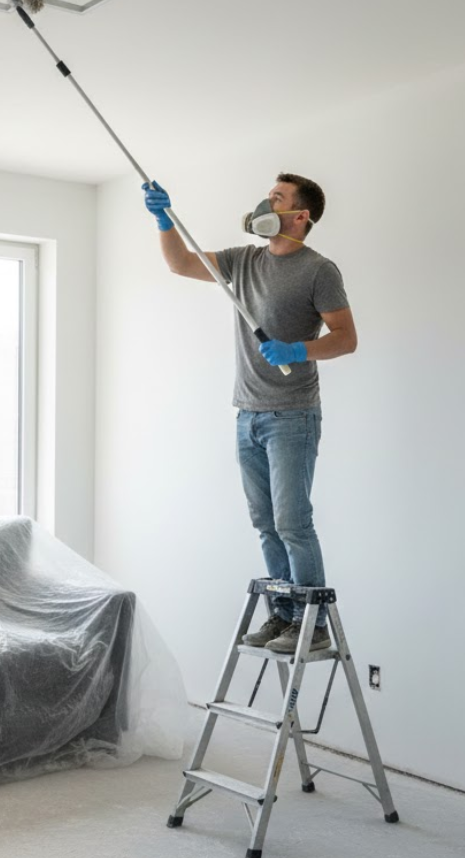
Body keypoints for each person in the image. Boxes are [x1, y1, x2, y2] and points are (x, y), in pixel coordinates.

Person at [142, 173, 356, 653]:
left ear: (299, 217)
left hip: (292, 416)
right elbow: (180, 263)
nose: (265, 201)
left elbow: (346, 338)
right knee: (265, 523)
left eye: (277, 198)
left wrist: (298, 351)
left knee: (292, 523)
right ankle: (282, 616)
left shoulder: (319, 271)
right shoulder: (244, 261)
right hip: (247, 416)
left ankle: (312, 624)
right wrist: (163, 219)